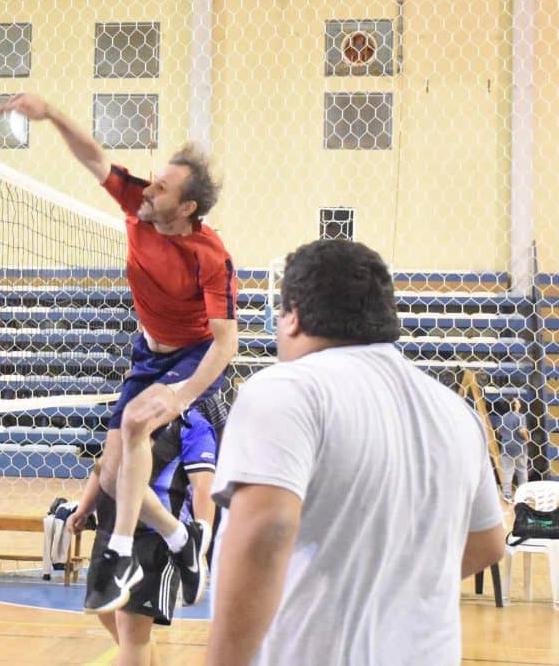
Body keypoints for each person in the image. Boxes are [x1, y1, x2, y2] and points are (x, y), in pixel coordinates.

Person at [205, 239, 506, 666]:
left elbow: (265, 531)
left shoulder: (286, 388)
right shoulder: (455, 411)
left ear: (291, 316)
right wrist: (385, 584)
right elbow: (489, 542)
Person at [0, 94, 238, 613]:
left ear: (188, 207)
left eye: (163, 188)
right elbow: (93, 157)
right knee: (109, 474)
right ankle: (181, 538)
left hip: (195, 355)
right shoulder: (138, 204)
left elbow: (226, 342)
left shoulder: (211, 257)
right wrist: (54, 113)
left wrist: (182, 395)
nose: (148, 191)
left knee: (134, 424)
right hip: (148, 353)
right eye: (152, 180)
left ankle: (120, 554)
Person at [68, 407, 219, 666]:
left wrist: (199, 549)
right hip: (111, 531)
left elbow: (204, 488)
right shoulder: (130, 412)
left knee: (133, 631)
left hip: (155, 540)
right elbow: (105, 466)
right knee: (111, 617)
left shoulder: (192, 425)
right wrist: (84, 508)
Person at [498, 397, 530, 502]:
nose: (519, 403)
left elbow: (499, 430)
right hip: (519, 447)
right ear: (515, 405)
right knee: (521, 471)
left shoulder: (504, 416)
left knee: (507, 471)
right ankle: (523, 496)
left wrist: (506, 435)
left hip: (506, 447)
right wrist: (527, 439)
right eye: (518, 402)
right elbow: (522, 430)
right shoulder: (520, 416)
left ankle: (507, 495)